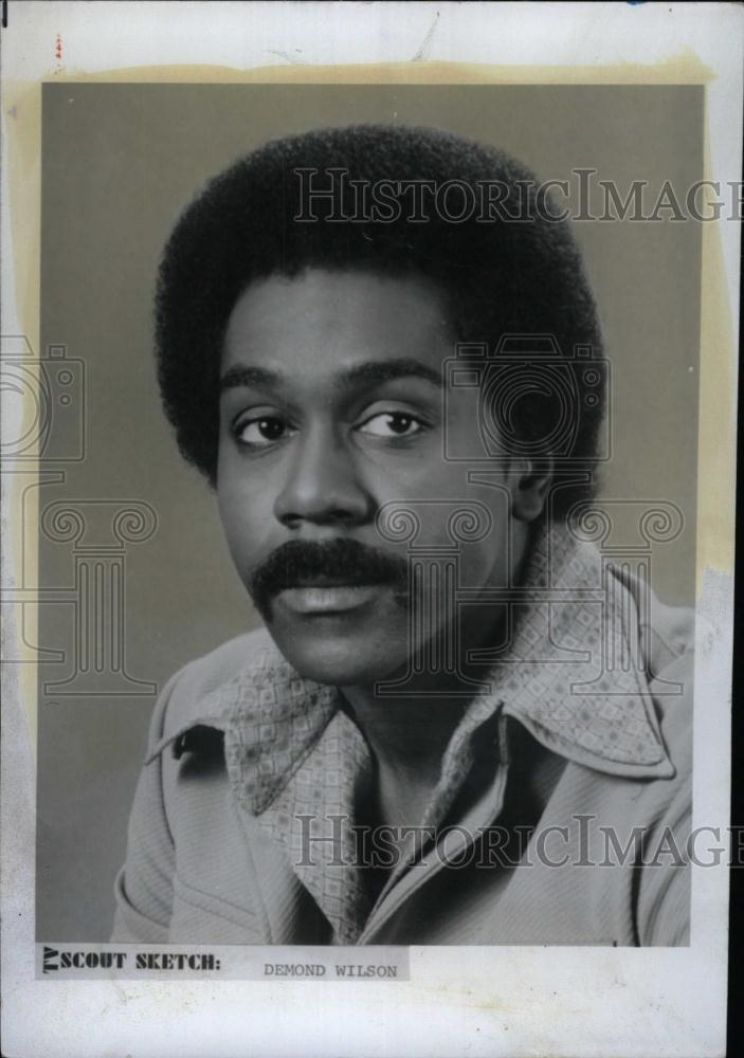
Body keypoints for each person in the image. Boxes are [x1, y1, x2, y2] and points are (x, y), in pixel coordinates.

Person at [112, 124, 692, 946]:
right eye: (264, 426)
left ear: (529, 457)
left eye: (393, 421)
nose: (312, 495)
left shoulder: (699, 764)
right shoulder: (198, 727)